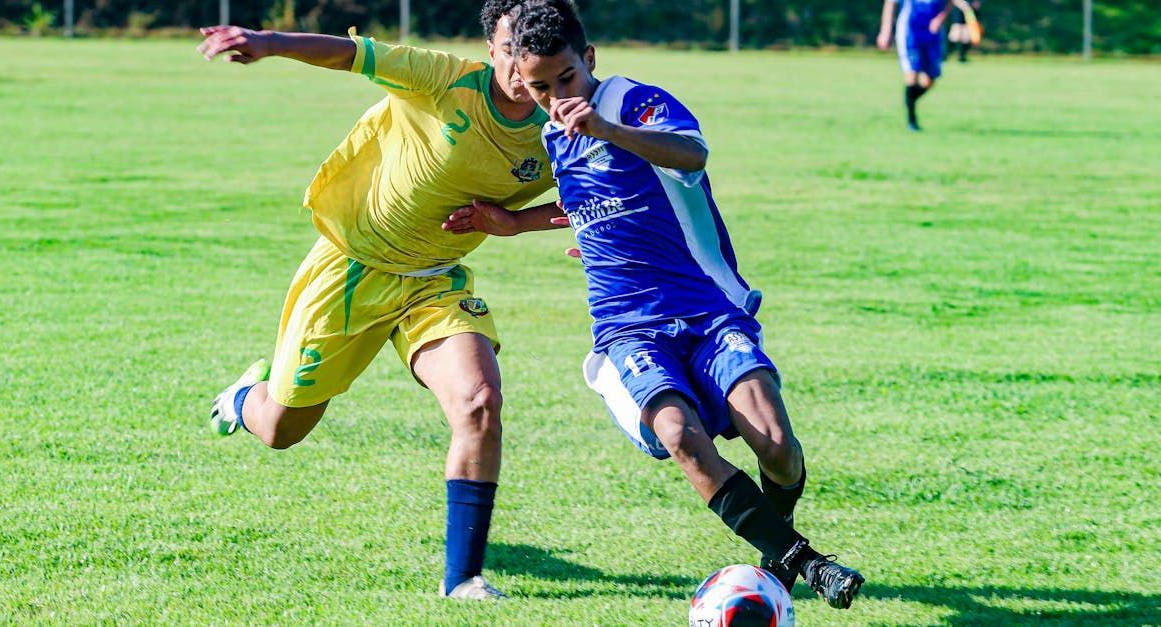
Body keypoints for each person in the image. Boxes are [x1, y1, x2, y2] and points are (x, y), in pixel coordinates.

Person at [444, 0, 865, 610]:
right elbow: (591, 200)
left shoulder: (634, 104)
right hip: (628, 323)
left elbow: (691, 155)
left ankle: (778, 552)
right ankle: (806, 565)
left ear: (589, 59)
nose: (557, 98)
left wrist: (607, 130)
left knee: (775, 442)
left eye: (566, 78)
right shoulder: (551, 134)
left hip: (706, 307)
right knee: (679, 435)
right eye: (540, 88)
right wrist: (517, 223)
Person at [198, 0, 564, 600]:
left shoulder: (566, 119)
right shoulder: (445, 79)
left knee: (479, 403)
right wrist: (268, 41)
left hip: (434, 281)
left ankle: (463, 579)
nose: (521, 70)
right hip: (353, 267)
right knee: (281, 430)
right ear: (490, 50)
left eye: (532, 56)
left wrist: (518, 222)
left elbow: (606, 195)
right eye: (508, 52)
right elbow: (352, 54)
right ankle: (244, 398)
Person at [877, 0, 975, 131]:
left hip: (933, 33)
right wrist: (886, 30)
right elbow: (890, 3)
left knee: (930, 80)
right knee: (912, 73)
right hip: (910, 30)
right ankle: (911, 120)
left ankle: (909, 100)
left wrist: (941, 17)